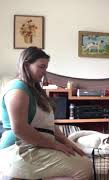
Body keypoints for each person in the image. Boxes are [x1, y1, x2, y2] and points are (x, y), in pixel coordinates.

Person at [0, 47, 93, 180]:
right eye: (41, 67)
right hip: (18, 149)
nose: (44, 72)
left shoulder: (35, 90)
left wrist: (68, 143)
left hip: (37, 146)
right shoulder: (17, 89)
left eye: (46, 67)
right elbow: (19, 129)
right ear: (26, 65)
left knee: (83, 161)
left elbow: (48, 126)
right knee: (84, 168)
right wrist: (56, 146)